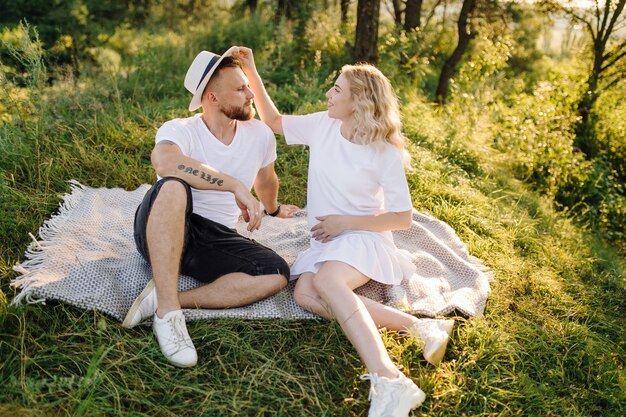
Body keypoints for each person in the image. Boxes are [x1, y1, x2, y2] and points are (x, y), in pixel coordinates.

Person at [234, 46, 455, 416]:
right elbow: (274, 120)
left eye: (337, 90)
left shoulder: (384, 153)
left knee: (330, 284)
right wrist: (251, 69)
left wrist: (345, 223)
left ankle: (388, 378)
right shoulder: (324, 124)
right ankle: (419, 328)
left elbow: (402, 218)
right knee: (305, 293)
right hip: (327, 239)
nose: (328, 95)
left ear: (360, 101)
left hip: (364, 237)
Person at [122, 47, 299, 368]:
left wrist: (272, 210)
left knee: (275, 273)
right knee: (173, 184)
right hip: (162, 229)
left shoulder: (258, 134)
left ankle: (165, 300)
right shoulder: (180, 129)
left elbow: (267, 180)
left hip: (211, 240)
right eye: (240, 88)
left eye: (248, 86)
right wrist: (232, 184)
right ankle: (168, 317)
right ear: (212, 98)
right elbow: (165, 162)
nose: (250, 95)